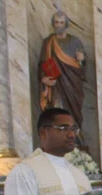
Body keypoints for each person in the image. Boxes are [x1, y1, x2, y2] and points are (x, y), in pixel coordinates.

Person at [38, 10, 89, 148]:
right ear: (53, 24)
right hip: (56, 88)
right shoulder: (48, 43)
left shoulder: (75, 41)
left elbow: (82, 70)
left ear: (66, 24)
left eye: (61, 22)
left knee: (73, 114)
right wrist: (44, 80)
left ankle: (76, 142)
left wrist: (81, 61)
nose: (59, 25)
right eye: (56, 22)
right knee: (57, 114)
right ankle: (58, 143)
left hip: (72, 86)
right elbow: (42, 65)